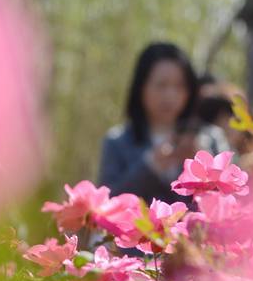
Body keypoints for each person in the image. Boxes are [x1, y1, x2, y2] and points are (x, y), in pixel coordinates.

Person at [98, 42, 229, 203]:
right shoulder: (118, 143)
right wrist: (150, 167)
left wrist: (202, 167)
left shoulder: (211, 138)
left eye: (179, 86)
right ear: (141, 87)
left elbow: (229, 204)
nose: (170, 96)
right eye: (161, 85)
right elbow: (105, 206)